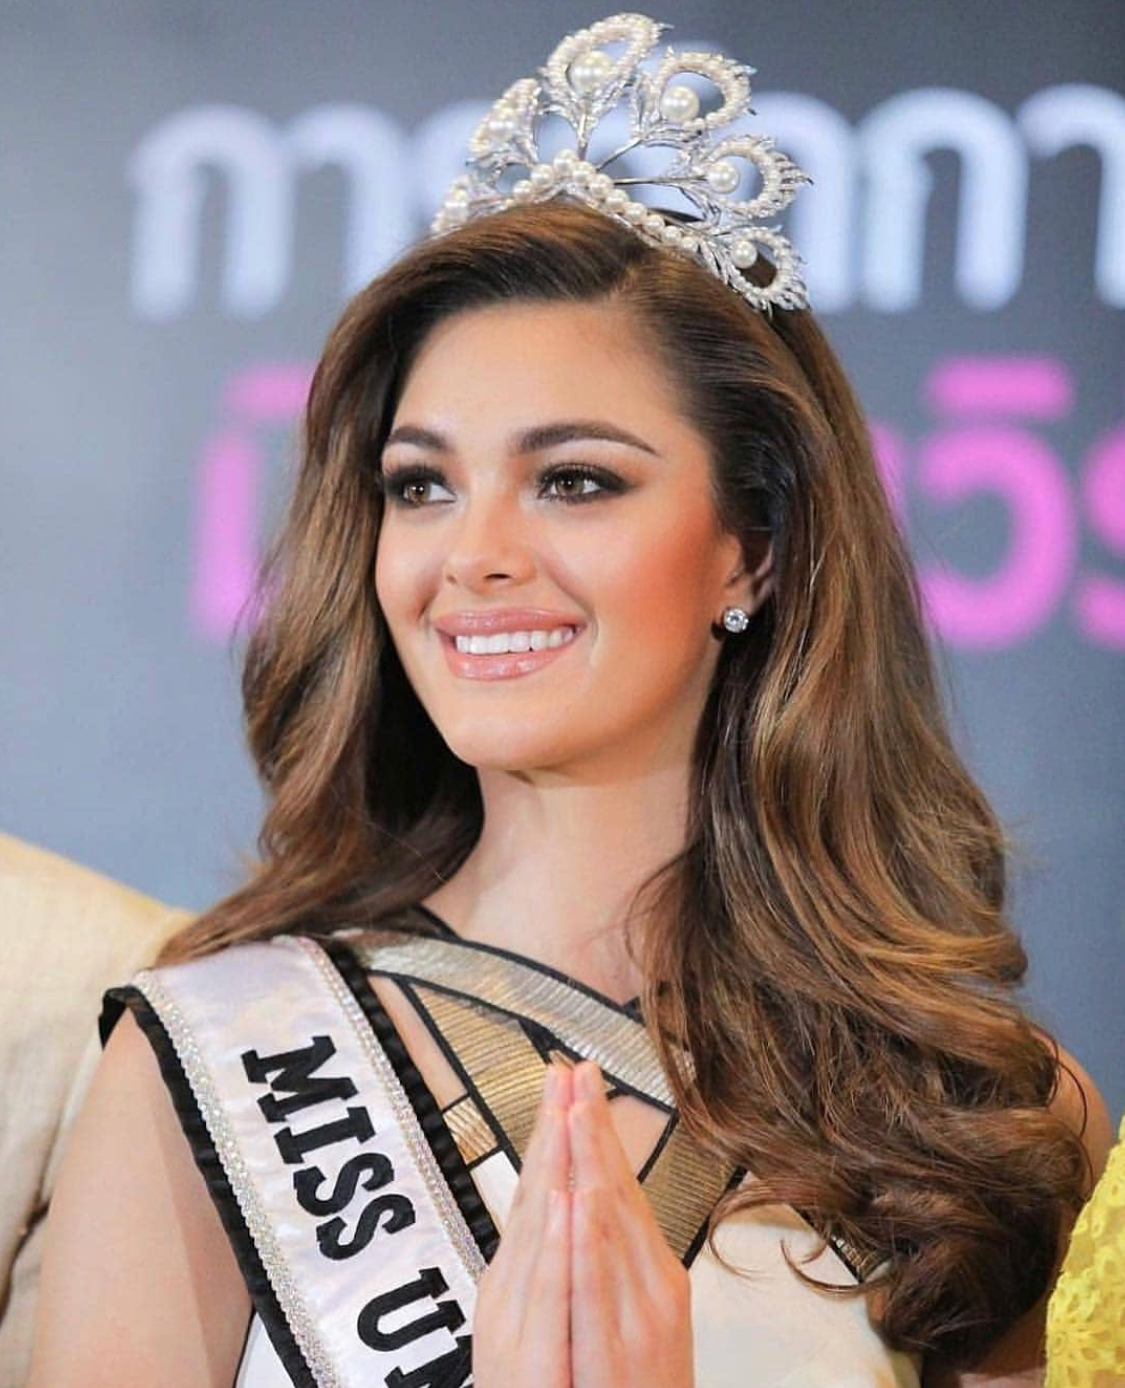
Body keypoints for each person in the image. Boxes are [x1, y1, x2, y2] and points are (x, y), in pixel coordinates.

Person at [28, 12, 1113, 1388]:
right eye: (421, 484)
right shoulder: (213, 1062)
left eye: (574, 480)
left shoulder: (970, 1112)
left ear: (754, 549)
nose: (472, 554)